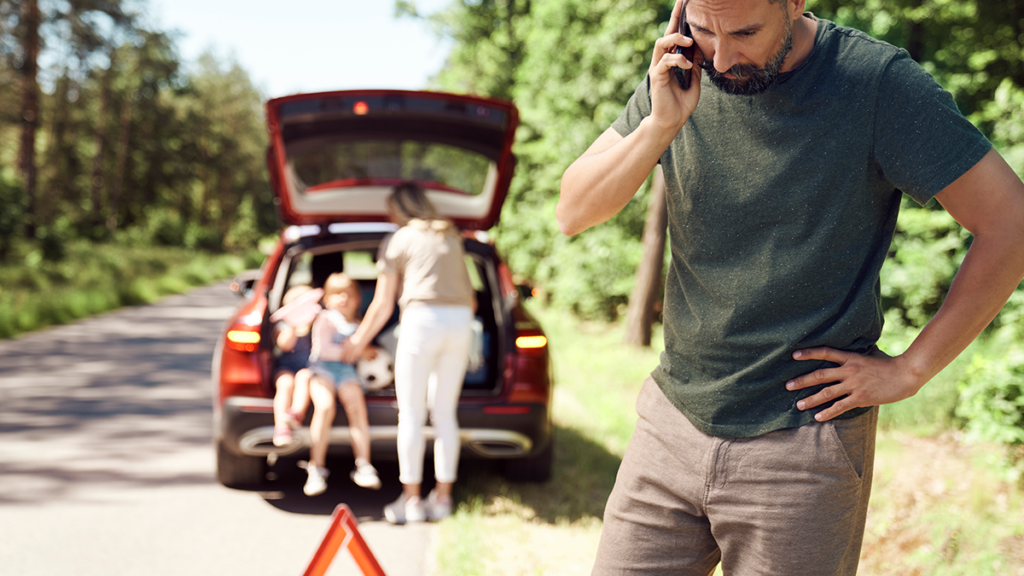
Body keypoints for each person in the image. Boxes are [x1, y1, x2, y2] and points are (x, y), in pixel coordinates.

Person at [558, 0, 1024, 574]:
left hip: (803, 446)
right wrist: (660, 124)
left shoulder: (877, 83)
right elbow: (573, 211)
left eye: (745, 32)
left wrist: (911, 370)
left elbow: (1011, 223)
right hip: (670, 423)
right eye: (704, 29)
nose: (723, 57)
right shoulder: (678, 75)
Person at [342, 183, 476, 524]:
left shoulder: (399, 239)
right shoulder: (451, 235)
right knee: (444, 414)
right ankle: (442, 500)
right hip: (461, 323)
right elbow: (472, 299)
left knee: (412, 415)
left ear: (400, 209)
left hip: (422, 321)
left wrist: (357, 341)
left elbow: (384, 303)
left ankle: (412, 502)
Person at [302, 272, 382, 496]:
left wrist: (364, 352)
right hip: (321, 370)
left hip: (347, 372)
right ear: (327, 299)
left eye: (348, 294)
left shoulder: (358, 324)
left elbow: (366, 352)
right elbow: (323, 350)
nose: (343, 299)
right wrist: (353, 352)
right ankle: (316, 467)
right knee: (325, 406)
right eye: (337, 294)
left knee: (356, 406)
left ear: (358, 299)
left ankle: (363, 465)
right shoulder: (325, 319)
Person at [271, 285, 316, 447]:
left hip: (308, 367)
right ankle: (281, 427)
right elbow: (285, 345)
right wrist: (294, 324)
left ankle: (296, 413)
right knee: (285, 384)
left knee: (304, 377)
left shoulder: (317, 323)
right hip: (286, 367)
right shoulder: (283, 325)